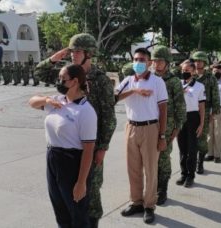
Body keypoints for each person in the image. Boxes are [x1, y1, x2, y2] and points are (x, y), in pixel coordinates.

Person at [35, 33, 117, 228]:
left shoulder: (100, 80)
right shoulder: (67, 73)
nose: (73, 54)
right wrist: (56, 56)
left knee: (91, 194)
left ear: (89, 54)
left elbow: (109, 117)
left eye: (77, 51)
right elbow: (39, 73)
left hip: (90, 145)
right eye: (71, 51)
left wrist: (102, 147)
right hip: (67, 147)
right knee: (65, 199)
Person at [29, 64, 97, 228]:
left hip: (72, 163)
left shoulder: (85, 111)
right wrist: (46, 100)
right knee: (60, 210)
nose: (59, 82)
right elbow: (32, 102)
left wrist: (81, 183)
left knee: (77, 213)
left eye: (62, 79)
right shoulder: (57, 100)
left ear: (74, 81)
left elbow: (88, 150)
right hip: (53, 157)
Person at [116, 48, 168, 224]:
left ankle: (149, 206)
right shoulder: (128, 80)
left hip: (150, 128)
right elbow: (113, 97)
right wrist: (134, 91)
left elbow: (163, 109)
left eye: (142, 59)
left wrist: (162, 136)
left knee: (151, 169)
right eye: (136, 59)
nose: (138, 62)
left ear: (149, 62)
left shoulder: (157, 82)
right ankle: (136, 202)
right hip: (131, 128)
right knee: (133, 168)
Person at [151, 46, 186, 205]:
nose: (156, 63)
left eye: (160, 61)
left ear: (167, 63)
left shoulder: (173, 82)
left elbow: (180, 105)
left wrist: (177, 128)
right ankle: (151, 188)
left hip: (168, 125)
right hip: (149, 124)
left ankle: (162, 190)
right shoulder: (148, 79)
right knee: (150, 158)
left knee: (163, 158)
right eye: (154, 60)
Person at [176, 59, 205, 188]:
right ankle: (183, 173)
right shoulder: (177, 84)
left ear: (193, 71)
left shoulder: (199, 86)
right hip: (180, 117)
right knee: (182, 148)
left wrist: (201, 124)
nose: (184, 72)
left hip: (193, 117)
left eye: (187, 70)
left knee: (192, 149)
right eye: (183, 70)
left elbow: (202, 106)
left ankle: (191, 175)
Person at [191, 51, 220, 174]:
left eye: (200, 61)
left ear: (205, 62)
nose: (198, 63)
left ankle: (200, 163)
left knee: (202, 138)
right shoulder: (189, 75)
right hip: (190, 110)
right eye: (196, 61)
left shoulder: (210, 77)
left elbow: (215, 94)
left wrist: (215, 111)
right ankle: (190, 163)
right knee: (190, 138)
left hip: (206, 110)